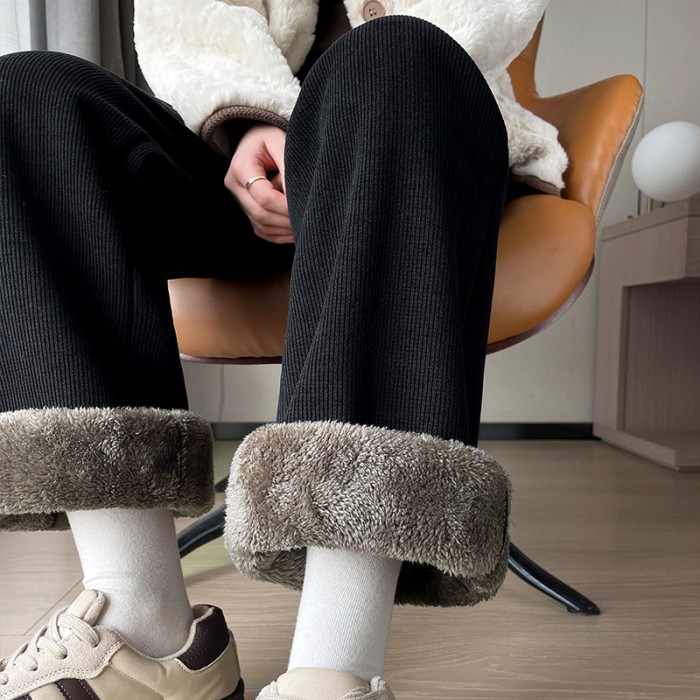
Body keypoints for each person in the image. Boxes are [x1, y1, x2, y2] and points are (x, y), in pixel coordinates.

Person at [0, 1, 567, 699]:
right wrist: (246, 122)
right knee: (29, 92)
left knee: (396, 59)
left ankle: (334, 667)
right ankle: (145, 630)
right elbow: (190, 18)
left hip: (403, 149)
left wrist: (323, 140)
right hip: (234, 174)